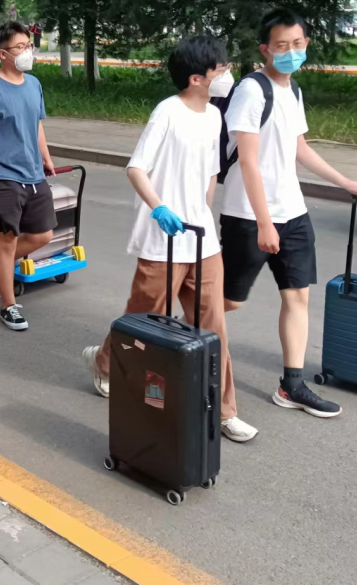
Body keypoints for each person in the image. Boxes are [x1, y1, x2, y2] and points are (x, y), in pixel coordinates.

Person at [81, 36, 257, 442]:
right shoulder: (167, 112)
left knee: (212, 328)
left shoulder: (214, 116)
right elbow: (136, 168)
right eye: (221, 69)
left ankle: (224, 411)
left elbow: (210, 173)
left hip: (201, 241)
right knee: (145, 319)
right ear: (196, 78)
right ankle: (105, 361)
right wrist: (159, 208)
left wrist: (204, 216)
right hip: (162, 239)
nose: (227, 74)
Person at [221, 8, 357, 418]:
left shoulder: (294, 91)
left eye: (296, 44)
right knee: (227, 302)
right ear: (265, 49)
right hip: (248, 216)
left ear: (306, 44)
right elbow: (248, 161)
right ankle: (175, 344)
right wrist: (264, 222)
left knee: (297, 297)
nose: (290, 51)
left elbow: (300, 148)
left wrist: (345, 183)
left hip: (292, 212)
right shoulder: (251, 91)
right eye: (281, 45)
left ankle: (291, 386)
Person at [0, 21, 55, 332]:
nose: (27, 51)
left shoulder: (33, 84)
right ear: (2, 54)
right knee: (7, 240)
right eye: (20, 47)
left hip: (32, 172)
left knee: (43, 235)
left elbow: (36, 124)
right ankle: (8, 306)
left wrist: (45, 157)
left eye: (28, 45)